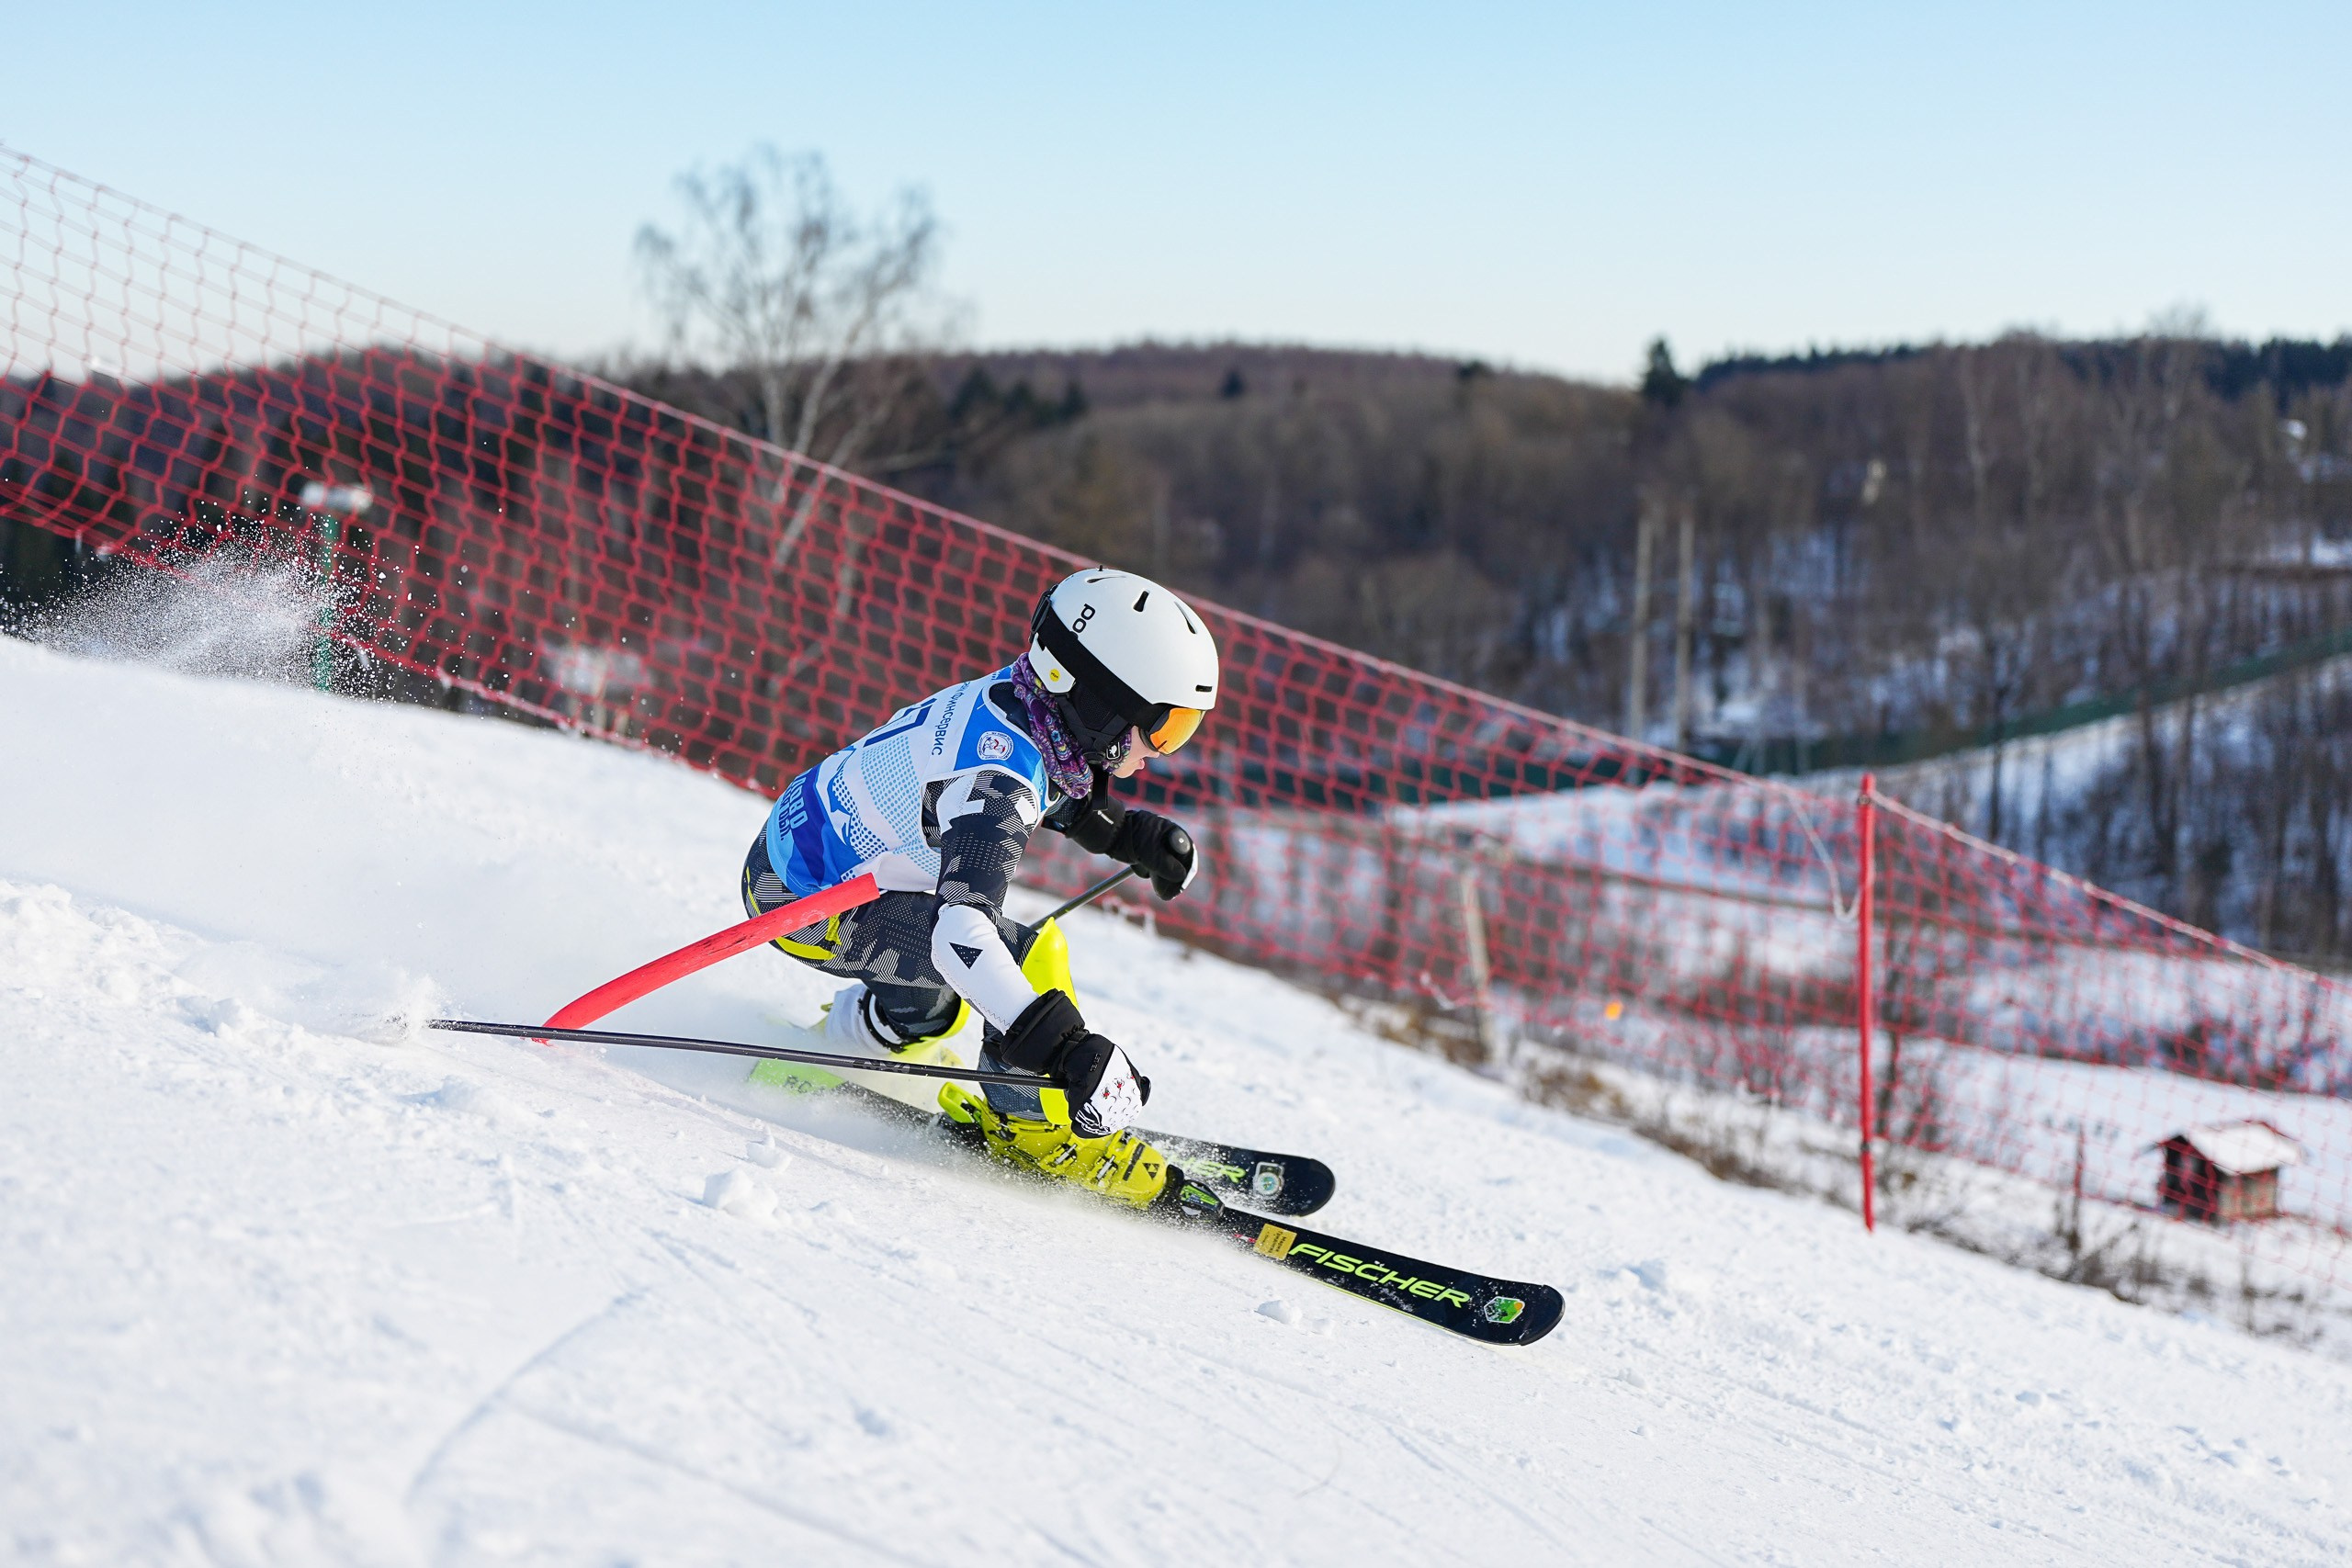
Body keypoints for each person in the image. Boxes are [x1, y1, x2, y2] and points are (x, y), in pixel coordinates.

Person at [741, 567, 1217, 1208]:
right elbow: (961, 935)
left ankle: (837, 1048)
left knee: (938, 1010)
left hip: (800, 864)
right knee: (1029, 957)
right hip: (808, 906)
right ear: (1101, 704)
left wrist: (1128, 834)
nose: (1163, 751)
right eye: (1165, 728)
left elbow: (1048, 782)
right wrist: (1065, 1049)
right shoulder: (993, 784)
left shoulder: (1020, 702)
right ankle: (1038, 1132)